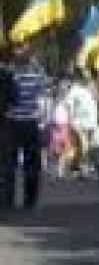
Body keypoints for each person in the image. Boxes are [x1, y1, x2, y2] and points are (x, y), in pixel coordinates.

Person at [2, 41, 47, 209]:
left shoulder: (12, 72)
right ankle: (14, 200)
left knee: (25, 164)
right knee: (13, 164)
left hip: (25, 122)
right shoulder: (12, 71)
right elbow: (42, 100)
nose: (19, 51)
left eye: (21, 48)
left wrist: (41, 122)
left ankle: (24, 200)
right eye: (18, 48)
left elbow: (42, 101)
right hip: (15, 122)